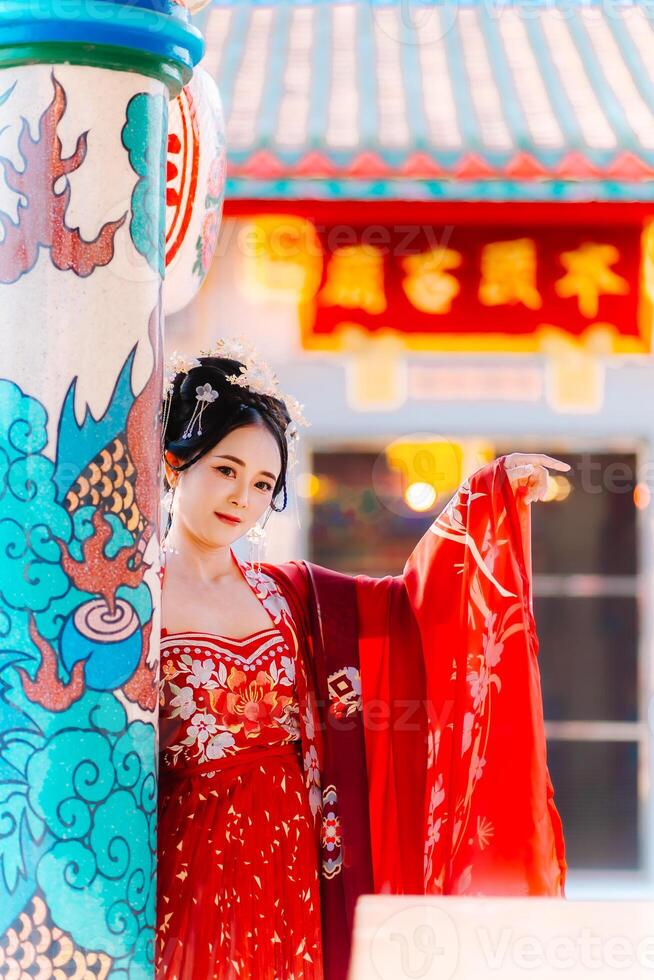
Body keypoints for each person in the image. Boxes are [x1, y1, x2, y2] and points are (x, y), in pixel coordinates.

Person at [155, 338, 569, 980]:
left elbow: (411, 611)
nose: (242, 496)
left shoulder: (289, 595)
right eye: (225, 469)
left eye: (263, 482)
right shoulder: (132, 604)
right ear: (177, 463)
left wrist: (489, 496)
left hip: (295, 866)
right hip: (186, 863)